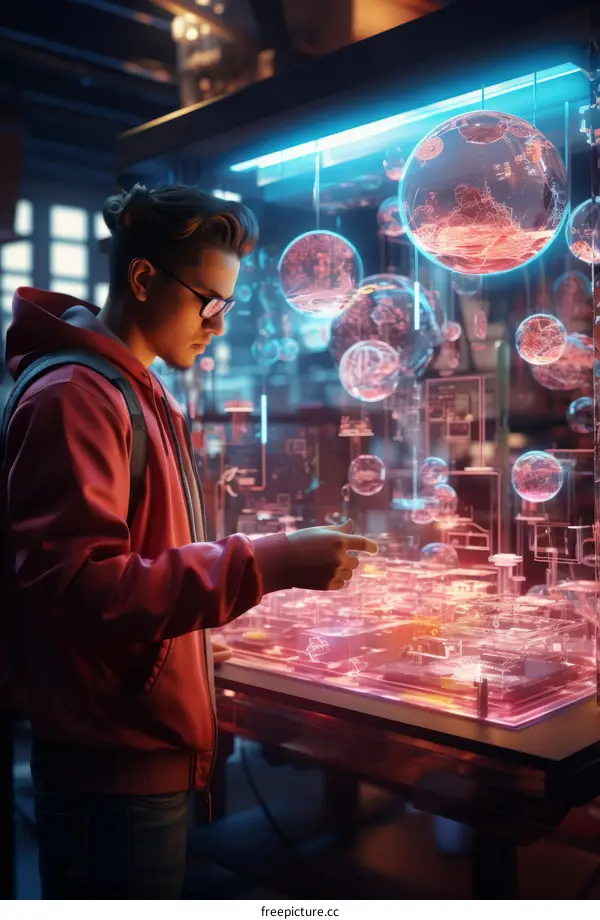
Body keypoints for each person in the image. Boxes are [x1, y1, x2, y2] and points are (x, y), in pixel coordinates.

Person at [0, 184, 377, 899]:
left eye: (227, 308)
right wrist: (270, 562)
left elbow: (129, 565)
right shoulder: (77, 396)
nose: (218, 326)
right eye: (209, 303)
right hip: (111, 771)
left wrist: (187, 641)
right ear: (142, 279)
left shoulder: (130, 388)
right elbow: (82, 592)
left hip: (132, 754)